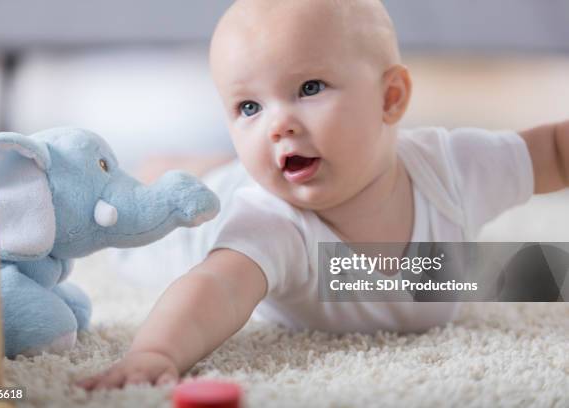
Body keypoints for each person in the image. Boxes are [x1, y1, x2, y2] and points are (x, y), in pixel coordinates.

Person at [77, 0, 569, 389]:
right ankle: (173, 171)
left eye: (309, 87)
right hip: (194, 223)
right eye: (249, 106)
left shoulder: (452, 168)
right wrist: (155, 353)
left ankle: (196, 164)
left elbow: (551, 152)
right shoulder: (270, 222)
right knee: (170, 193)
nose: (278, 123)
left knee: (491, 271)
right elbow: (217, 290)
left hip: (263, 191)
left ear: (389, 98)